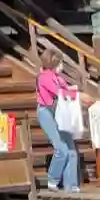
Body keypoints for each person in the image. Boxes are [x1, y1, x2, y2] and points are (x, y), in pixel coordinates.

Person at [34, 49, 83, 192]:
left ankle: (71, 185)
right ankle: (53, 178)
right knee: (61, 148)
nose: (62, 66)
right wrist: (74, 92)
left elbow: (65, 89)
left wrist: (72, 89)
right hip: (46, 112)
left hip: (60, 113)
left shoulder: (57, 77)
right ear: (53, 63)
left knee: (71, 150)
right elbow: (58, 92)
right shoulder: (44, 77)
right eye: (60, 63)